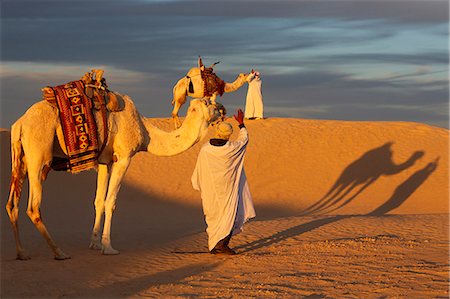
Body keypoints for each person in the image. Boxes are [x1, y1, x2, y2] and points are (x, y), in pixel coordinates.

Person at [191, 109, 256, 255]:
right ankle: (220, 245)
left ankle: (217, 244)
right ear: (228, 135)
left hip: (210, 190)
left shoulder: (206, 149)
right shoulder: (233, 148)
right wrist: (241, 124)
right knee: (227, 215)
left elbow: (200, 169)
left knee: (215, 216)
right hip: (227, 190)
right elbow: (244, 139)